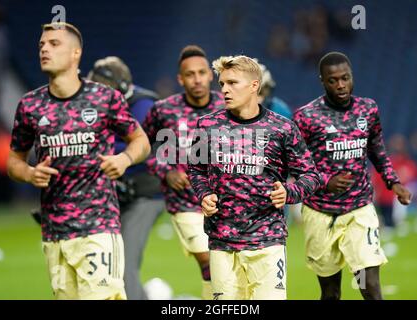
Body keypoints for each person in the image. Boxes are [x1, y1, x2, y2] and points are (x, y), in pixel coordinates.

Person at [7, 22, 150, 300]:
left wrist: (124, 159)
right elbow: (14, 160)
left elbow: (141, 141)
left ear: (76, 54)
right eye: (41, 45)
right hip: (54, 233)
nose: (45, 49)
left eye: (54, 44)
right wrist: (29, 173)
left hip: (98, 228)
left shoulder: (104, 98)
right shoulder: (30, 106)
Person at [188, 55, 322, 300]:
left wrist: (289, 193)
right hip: (222, 243)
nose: (225, 90)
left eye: (232, 83)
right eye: (222, 84)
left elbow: (311, 175)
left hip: (267, 241)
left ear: (254, 86)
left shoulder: (282, 128)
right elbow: (196, 171)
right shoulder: (206, 125)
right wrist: (204, 194)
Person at [293, 51, 412, 300]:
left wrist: (393, 181)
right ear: (322, 81)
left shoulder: (367, 109)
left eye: (345, 78)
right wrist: (326, 181)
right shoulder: (306, 117)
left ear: (352, 77)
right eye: (333, 80)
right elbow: (295, 163)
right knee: (331, 292)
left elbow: (376, 148)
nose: (340, 85)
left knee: (369, 287)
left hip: (359, 208)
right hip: (320, 211)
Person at [142, 45, 225, 299]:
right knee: (210, 262)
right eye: (190, 74)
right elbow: (141, 145)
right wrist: (165, 171)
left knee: (227, 267)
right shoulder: (164, 110)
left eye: (202, 72)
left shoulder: (227, 106)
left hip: (228, 202)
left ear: (211, 76)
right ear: (181, 79)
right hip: (186, 203)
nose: (197, 79)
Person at [87, 56, 165, 300]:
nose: (97, 90)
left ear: (119, 86)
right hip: (116, 191)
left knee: (123, 261)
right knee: (104, 261)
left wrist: (95, 149)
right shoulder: (99, 105)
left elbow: (141, 145)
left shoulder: (143, 105)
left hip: (146, 193)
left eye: (102, 84)